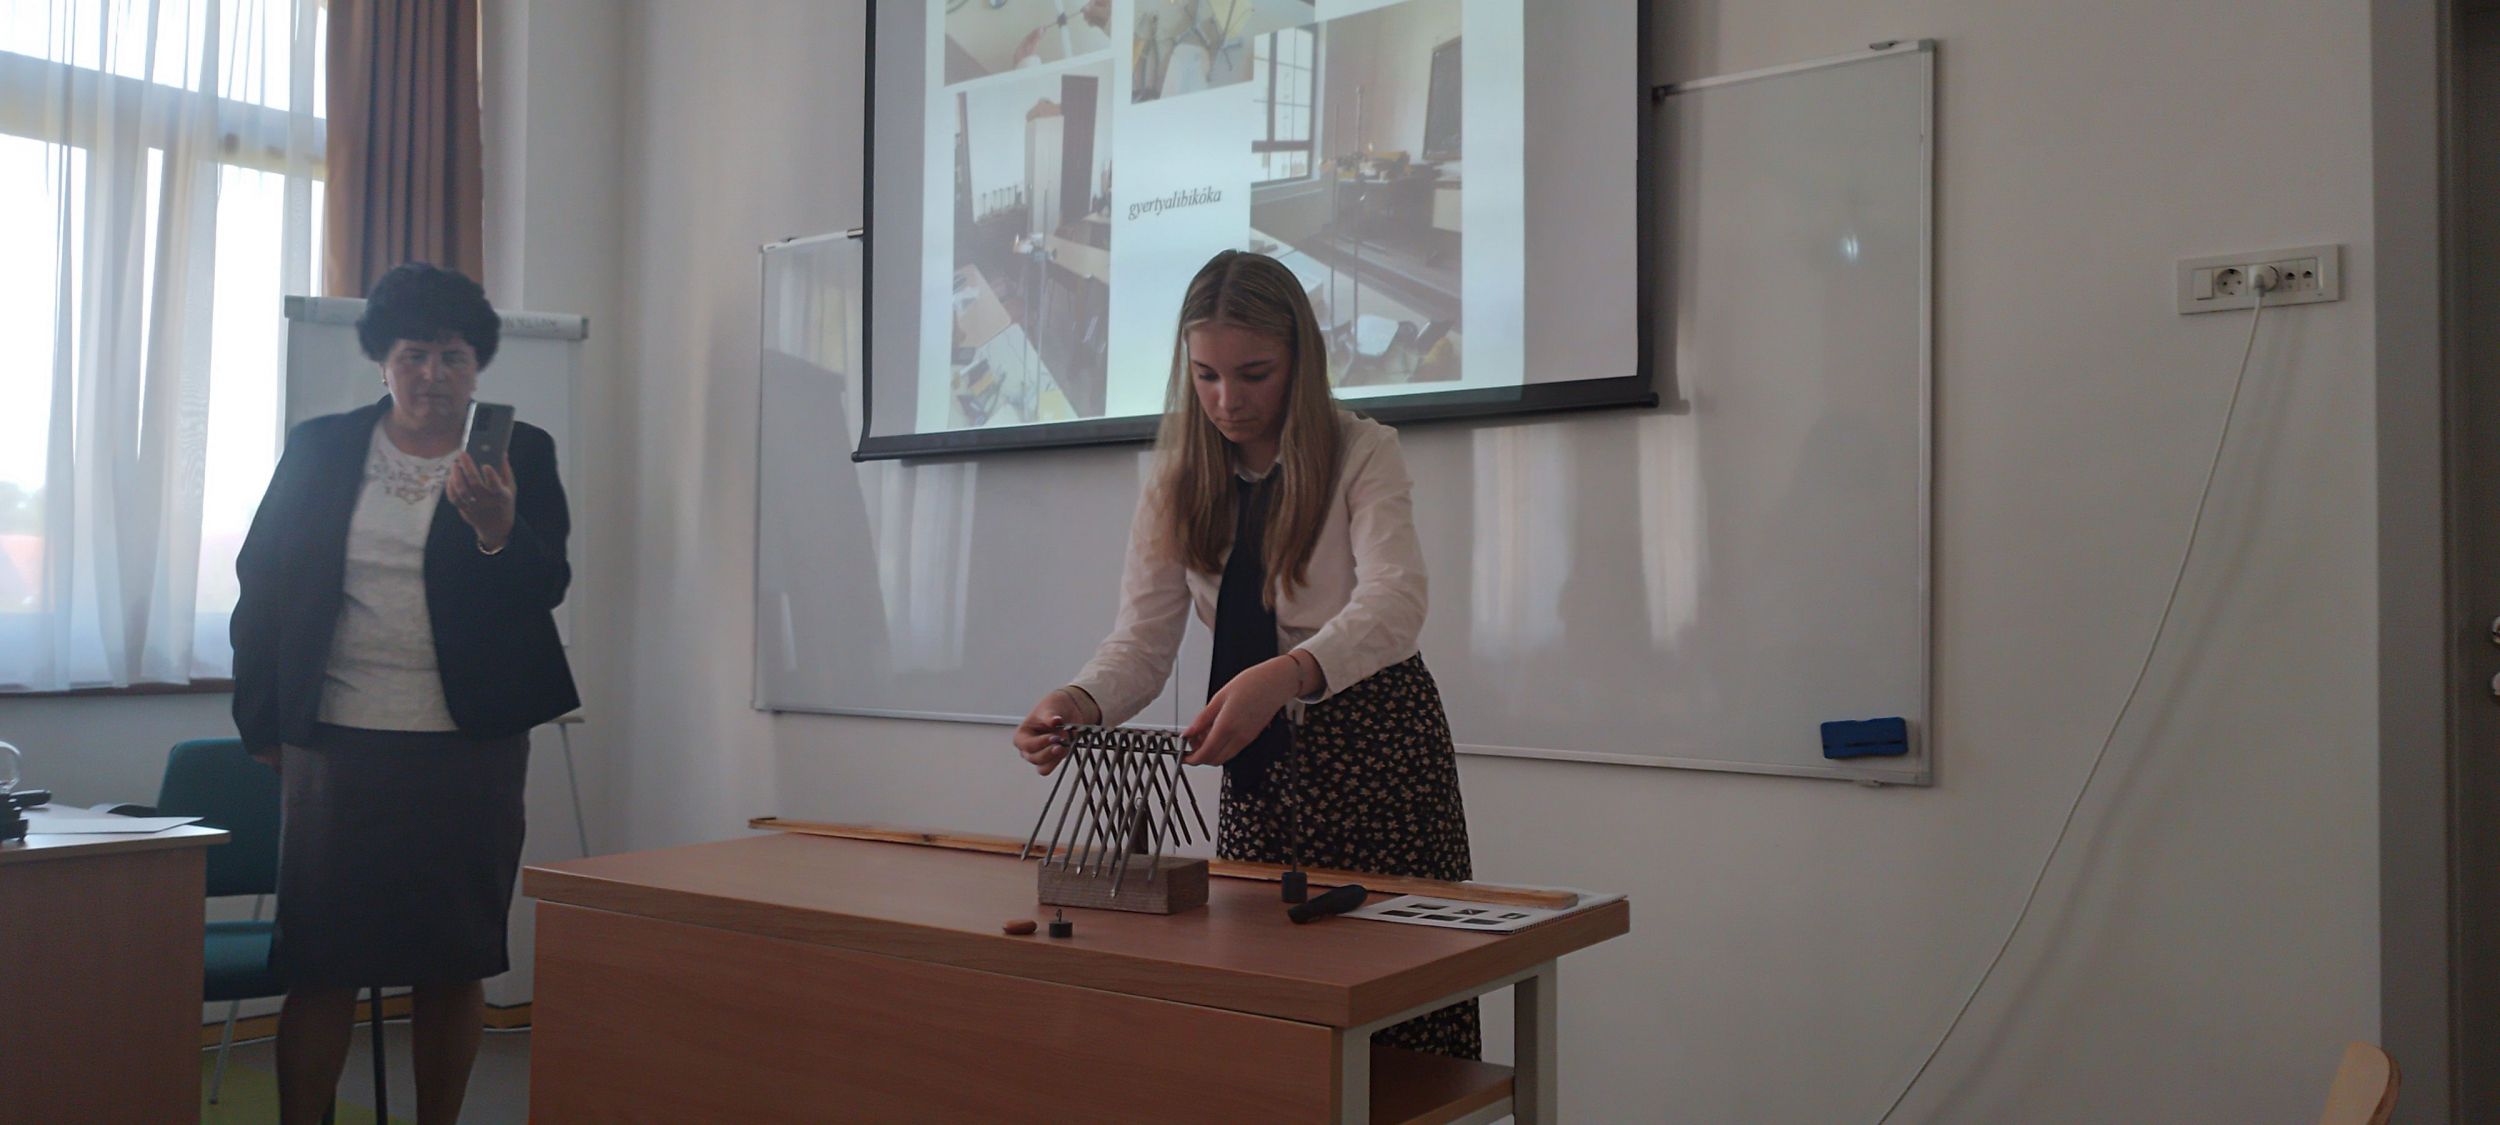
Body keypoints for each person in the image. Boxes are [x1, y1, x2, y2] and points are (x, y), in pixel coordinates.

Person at [1010, 249, 1477, 1058]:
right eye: (1207, 376)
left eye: (1254, 373)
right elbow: (1143, 641)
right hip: (1259, 761)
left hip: (1379, 751)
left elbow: (1397, 601)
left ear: (1300, 358)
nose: (1228, 400)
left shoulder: (1363, 451)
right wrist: (1078, 700)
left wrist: (1290, 673)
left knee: (1402, 1007)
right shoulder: (1177, 481)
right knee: (1265, 997)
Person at [231, 262, 579, 1124]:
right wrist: (262, 722)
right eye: (414, 354)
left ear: (478, 363)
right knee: (322, 963)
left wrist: (498, 530)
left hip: (471, 748)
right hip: (337, 741)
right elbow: (263, 583)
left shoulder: (521, 452)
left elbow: (547, 583)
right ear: (382, 360)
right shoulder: (321, 448)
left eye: (454, 356)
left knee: (452, 960)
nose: (433, 374)